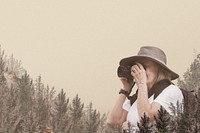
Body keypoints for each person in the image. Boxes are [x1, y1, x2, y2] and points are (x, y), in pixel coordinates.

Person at [106, 46, 184, 131]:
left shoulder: (171, 91)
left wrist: (142, 84)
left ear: (159, 69)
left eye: (144, 67)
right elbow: (113, 120)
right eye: (137, 67)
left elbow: (147, 118)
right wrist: (126, 88)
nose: (140, 71)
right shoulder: (139, 96)